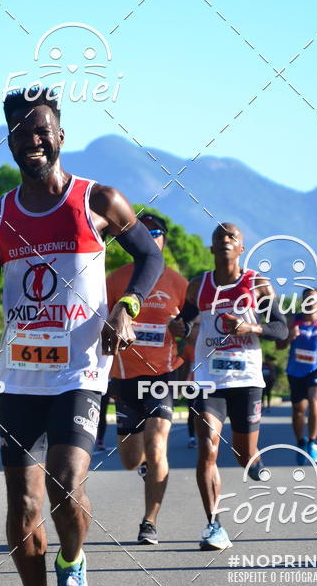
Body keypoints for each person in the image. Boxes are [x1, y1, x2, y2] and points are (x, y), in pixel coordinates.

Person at [0, 88, 163, 586]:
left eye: (41, 129)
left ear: (60, 135)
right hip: (22, 377)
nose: (32, 139)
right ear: (10, 142)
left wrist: (127, 307)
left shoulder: (98, 200)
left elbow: (150, 257)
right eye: (20, 131)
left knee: (65, 483)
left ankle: (73, 562)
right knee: (22, 508)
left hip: (81, 370)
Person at [170, 223, 287, 550]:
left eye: (231, 237)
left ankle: (254, 460)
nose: (224, 240)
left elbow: (280, 329)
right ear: (211, 248)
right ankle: (214, 525)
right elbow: (184, 323)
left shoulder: (257, 284)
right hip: (208, 380)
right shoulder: (198, 286)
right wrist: (178, 327)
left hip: (246, 380)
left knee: (243, 454)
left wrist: (251, 327)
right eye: (218, 237)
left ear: (241, 248)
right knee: (207, 448)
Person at [106, 212, 188, 545]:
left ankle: (149, 522)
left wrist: (184, 329)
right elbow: (101, 324)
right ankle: (146, 469)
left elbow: (191, 326)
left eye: (156, 233)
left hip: (162, 376)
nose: (150, 237)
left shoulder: (178, 283)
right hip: (125, 377)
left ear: (164, 239)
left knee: (156, 446)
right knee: (130, 460)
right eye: (144, 232)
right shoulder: (115, 279)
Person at [277, 288, 317, 463]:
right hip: (295, 371)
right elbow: (279, 346)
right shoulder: (292, 321)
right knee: (298, 411)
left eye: (314, 300)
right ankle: (301, 442)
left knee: (314, 402)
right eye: (307, 300)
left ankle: (311, 442)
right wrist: (289, 337)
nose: (310, 303)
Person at [181, 318, 201, 449]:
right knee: (192, 411)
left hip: (208, 385)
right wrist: (181, 384)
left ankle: (206, 437)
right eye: (195, 327)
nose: (197, 330)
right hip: (191, 385)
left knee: (205, 412)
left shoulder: (210, 347)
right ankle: (192, 438)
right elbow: (184, 367)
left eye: (198, 327)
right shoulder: (188, 348)